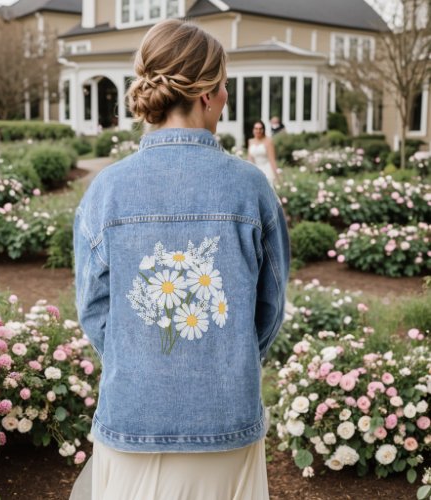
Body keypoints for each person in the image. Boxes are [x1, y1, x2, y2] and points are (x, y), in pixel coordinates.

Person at [72, 19, 289, 500]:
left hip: (133, 415)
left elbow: (95, 309)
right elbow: (269, 309)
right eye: (226, 85)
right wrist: (225, 358)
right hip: (225, 417)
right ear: (209, 94)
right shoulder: (250, 187)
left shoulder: (106, 190)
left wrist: (141, 359)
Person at [247, 120, 280, 185]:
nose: (258, 131)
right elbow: (250, 159)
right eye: (256, 128)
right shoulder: (250, 141)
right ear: (253, 130)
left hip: (267, 171)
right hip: (255, 170)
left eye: (260, 129)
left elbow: (272, 160)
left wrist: (277, 177)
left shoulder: (268, 141)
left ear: (263, 130)